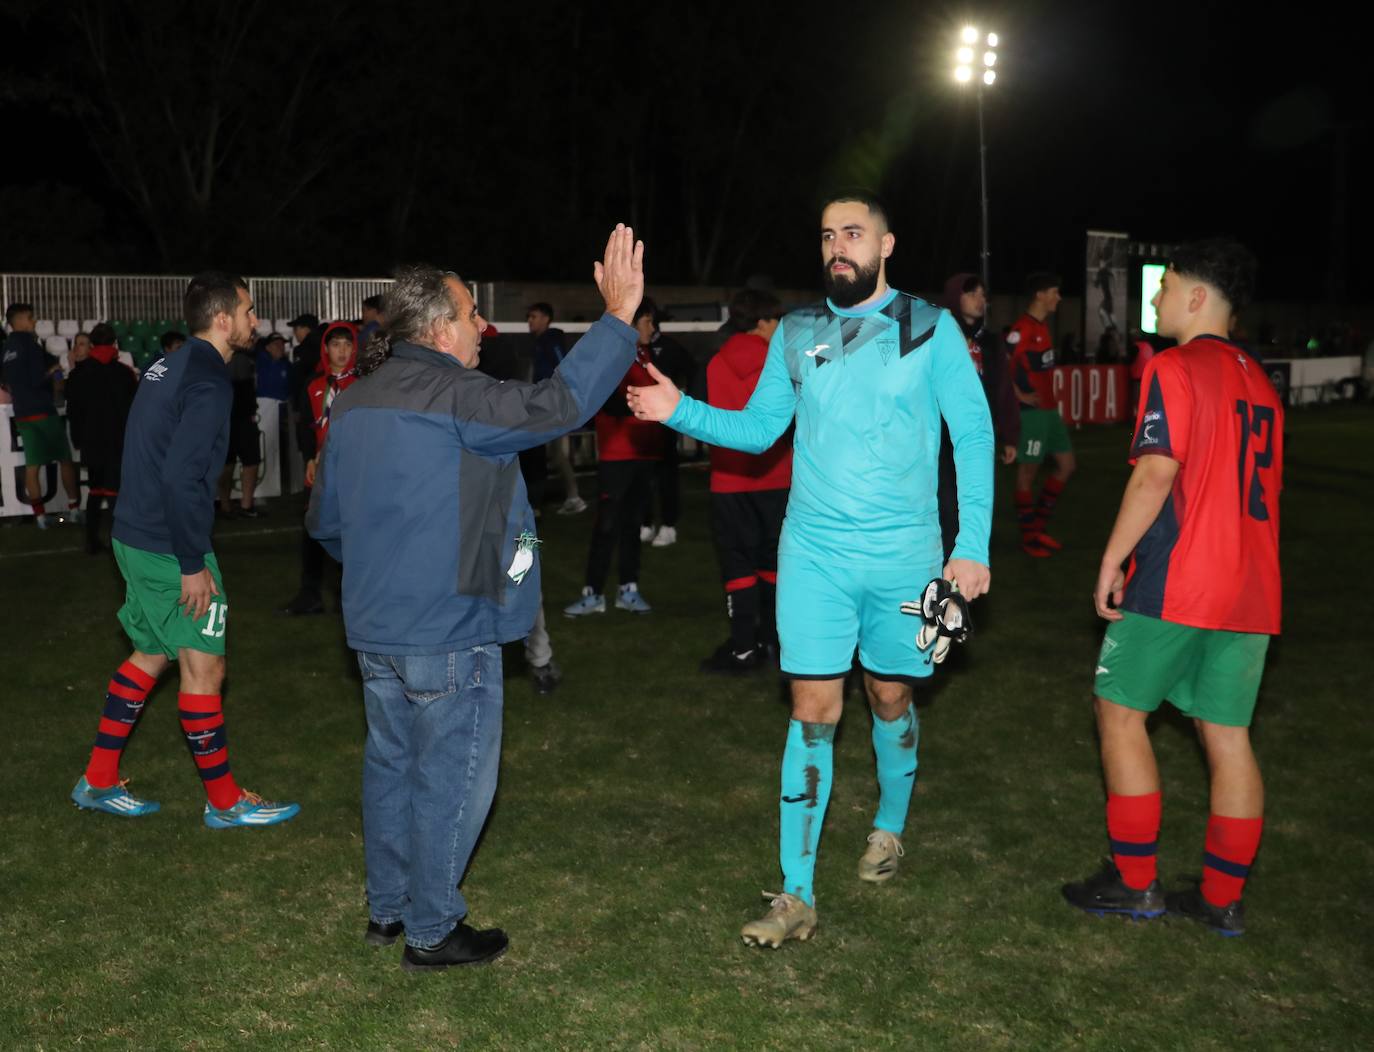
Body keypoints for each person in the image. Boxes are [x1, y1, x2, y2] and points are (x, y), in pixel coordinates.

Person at [627, 191, 993, 948]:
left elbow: (975, 431)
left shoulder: (930, 327)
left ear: (887, 245)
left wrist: (974, 545)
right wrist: (678, 411)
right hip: (815, 555)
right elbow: (761, 429)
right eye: (828, 235)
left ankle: (889, 828)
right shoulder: (796, 331)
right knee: (812, 708)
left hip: (905, 558)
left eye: (853, 234)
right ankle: (797, 894)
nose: (838, 247)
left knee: (889, 696)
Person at [306, 226, 643, 970]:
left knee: (391, 765)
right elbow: (559, 406)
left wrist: (494, 580)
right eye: (470, 312)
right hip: (449, 630)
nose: (484, 325)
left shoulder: (355, 403)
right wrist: (617, 320)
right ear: (437, 327)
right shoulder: (459, 395)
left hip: (377, 630)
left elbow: (326, 524)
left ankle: (388, 910)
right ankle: (430, 926)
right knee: (452, 775)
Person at [1062, 238, 1281, 938]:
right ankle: (1222, 899)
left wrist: (1111, 558)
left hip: (1183, 575)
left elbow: (1158, 472)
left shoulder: (1176, 365)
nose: (1154, 299)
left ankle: (1135, 884)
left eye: (1165, 287)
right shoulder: (1262, 379)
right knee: (1228, 734)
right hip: (1253, 586)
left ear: (1195, 297)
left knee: (1119, 712)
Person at [69, 272, 300, 828]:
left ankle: (97, 780)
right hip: (168, 544)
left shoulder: (169, 363)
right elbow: (181, 477)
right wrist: (193, 563)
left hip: (135, 533)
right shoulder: (207, 378)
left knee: (151, 652)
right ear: (223, 318)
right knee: (205, 666)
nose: (255, 321)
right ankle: (224, 803)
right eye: (248, 311)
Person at [698, 288, 790, 673]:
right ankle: (773, 642)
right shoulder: (782, 362)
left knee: (737, 564)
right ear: (764, 322)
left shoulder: (716, 363)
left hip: (729, 482)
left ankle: (742, 649)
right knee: (774, 562)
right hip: (777, 477)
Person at [563, 310, 662, 618]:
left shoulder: (644, 356)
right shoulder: (615, 356)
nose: (653, 328)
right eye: (648, 322)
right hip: (617, 457)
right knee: (606, 527)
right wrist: (645, 403)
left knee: (633, 526)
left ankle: (628, 589)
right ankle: (592, 593)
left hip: (644, 455)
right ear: (633, 324)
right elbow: (606, 399)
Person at [937, 273, 1019, 562]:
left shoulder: (992, 341)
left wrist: (1010, 434)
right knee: (944, 506)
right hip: (941, 438)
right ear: (955, 296)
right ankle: (944, 565)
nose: (980, 300)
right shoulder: (939, 333)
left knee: (971, 503)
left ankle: (965, 563)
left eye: (983, 295)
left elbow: (1003, 389)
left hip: (976, 436)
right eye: (972, 293)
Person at [279, 322, 359, 615]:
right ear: (326, 348)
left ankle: (346, 597)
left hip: (352, 473)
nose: (342, 351)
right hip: (321, 471)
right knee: (312, 530)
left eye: (347, 345)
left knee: (350, 534)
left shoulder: (363, 385)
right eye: (336, 344)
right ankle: (310, 594)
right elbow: (305, 427)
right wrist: (309, 458)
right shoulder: (314, 385)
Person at [1007, 273, 1075, 557]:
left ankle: (1037, 528)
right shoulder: (1020, 330)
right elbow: (1003, 367)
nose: (1058, 297)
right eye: (1055, 292)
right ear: (1040, 295)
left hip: (1049, 412)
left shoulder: (1043, 327)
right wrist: (1018, 396)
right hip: (1032, 414)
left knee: (1067, 465)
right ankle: (1030, 538)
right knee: (1027, 474)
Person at [1, 302, 82, 527]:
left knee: (32, 465)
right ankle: (74, 509)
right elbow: (42, 378)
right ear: (19, 321)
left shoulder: (6, 349)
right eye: (30, 318)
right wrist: (56, 376)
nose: (34, 322)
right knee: (65, 460)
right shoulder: (30, 345)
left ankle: (39, 516)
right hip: (43, 411)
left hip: (22, 413)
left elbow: (6, 382)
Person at [64, 323, 137, 553]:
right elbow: (134, 411)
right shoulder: (125, 374)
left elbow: (72, 411)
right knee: (116, 491)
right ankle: (120, 542)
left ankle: (91, 540)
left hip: (91, 440)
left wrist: (78, 439)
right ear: (115, 344)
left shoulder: (78, 375)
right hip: (118, 440)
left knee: (95, 491)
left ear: (93, 344)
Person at [634, 298, 695, 548]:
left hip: (665, 425)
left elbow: (692, 370)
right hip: (638, 427)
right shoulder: (631, 349)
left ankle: (669, 525)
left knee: (666, 476)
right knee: (642, 476)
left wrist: (682, 401)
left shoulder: (668, 347)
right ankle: (646, 522)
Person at [527, 302, 586, 515]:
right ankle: (570, 495)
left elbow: (563, 366)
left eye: (534, 316)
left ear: (545, 318)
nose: (530, 321)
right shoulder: (541, 342)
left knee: (554, 451)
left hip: (553, 402)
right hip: (546, 401)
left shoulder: (550, 340)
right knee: (553, 451)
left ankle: (573, 496)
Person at [217, 341, 262, 518]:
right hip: (226, 418)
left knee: (250, 461)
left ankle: (244, 505)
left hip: (243, 416)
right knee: (227, 464)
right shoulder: (220, 356)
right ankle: (227, 505)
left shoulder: (246, 355)